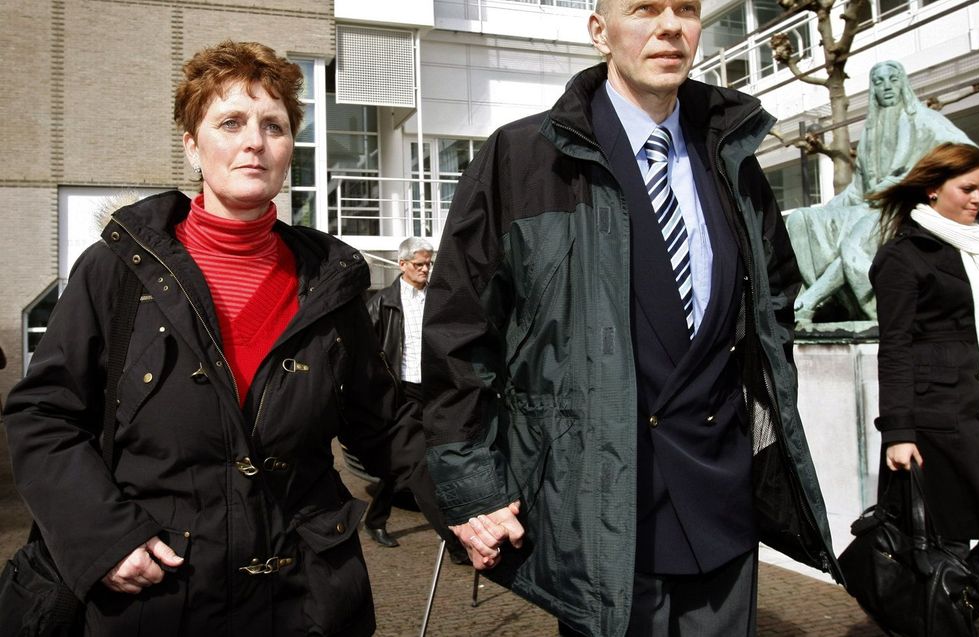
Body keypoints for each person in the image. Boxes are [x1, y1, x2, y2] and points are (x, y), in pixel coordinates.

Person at [421, 2, 837, 636]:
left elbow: (774, 296)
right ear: (599, 30)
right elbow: (459, 333)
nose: (670, 26)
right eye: (644, 8)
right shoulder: (522, 157)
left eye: (687, 9)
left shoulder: (732, 156)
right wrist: (472, 484)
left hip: (721, 495)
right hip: (599, 501)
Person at [3, 41, 420, 635]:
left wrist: (477, 500)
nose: (254, 141)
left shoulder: (331, 284)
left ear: (288, 149)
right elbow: (43, 416)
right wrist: (103, 538)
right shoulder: (114, 270)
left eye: (273, 125)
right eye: (230, 122)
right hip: (158, 597)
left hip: (305, 602)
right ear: (193, 146)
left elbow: (383, 425)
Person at [869, 142, 979, 620]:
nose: (978, 199)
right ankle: (942, 619)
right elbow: (894, 345)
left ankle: (947, 613)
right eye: (968, 188)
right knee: (946, 543)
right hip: (940, 417)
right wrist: (898, 431)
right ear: (934, 190)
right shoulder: (905, 255)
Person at [786, 60, 974, 322]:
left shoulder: (926, 121)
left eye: (893, 79)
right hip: (869, 203)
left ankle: (814, 298)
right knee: (801, 220)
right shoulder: (871, 131)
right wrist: (828, 208)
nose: (886, 86)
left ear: (903, 84)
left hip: (906, 204)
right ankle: (829, 302)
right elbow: (860, 188)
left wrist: (911, 181)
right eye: (878, 81)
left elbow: (972, 157)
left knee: (861, 234)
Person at [361, 237, 435, 548]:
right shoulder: (381, 302)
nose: (425, 270)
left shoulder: (437, 298)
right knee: (408, 459)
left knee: (432, 456)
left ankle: (377, 519)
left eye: (428, 264)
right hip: (401, 392)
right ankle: (454, 534)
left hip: (433, 389)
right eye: (419, 264)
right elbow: (365, 353)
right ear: (402, 264)